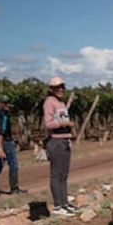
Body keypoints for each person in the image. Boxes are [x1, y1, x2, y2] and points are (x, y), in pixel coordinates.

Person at [43, 76, 76, 217]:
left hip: (64, 141)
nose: (61, 89)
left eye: (62, 86)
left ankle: (64, 203)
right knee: (56, 175)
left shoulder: (60, 103)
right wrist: (64, 124)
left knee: (64, 174)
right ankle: (58, 206)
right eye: (57, 87)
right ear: (51, 89)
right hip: (56, 142)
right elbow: (48, 124)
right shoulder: (49, 102)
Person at [0, 95, 26, 198]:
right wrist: (0, 147)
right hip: (4, 142)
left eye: (8, 103)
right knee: (14, 164)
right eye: (5, 103)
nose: (7, 105)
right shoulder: (3, 115)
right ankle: (14, 188)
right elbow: (0, 132)